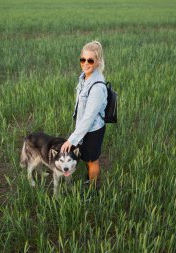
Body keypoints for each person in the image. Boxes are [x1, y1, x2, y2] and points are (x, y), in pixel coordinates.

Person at [61, 40, 108, 186]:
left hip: (93, 130)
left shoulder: (97, 87)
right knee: (86, 157)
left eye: (90, 60)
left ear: (98, 61)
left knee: (92, 160)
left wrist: (71, 139)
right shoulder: (84, 77)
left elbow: (89, 118)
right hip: (83, 128)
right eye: (83, 59)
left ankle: (92, 188)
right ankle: (89, 179)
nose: (85, 63)